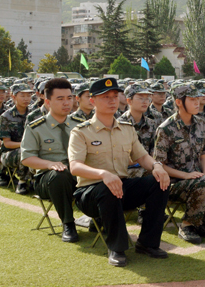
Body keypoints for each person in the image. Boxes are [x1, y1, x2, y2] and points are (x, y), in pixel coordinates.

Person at [69, 77, 171, 267]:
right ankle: (117, 247)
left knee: (159, 182)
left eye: (115, 96)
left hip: (121, 188)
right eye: (105, 97)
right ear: (92, 101)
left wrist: (157, 166)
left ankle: (147, 243)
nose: (111, 101)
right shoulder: (81, 131)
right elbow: (75, 166)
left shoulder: (126, 129)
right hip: (90, 193)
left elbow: (142, 157)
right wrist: (103, 174)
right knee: (108, 187)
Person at [153, 83, 205, 244]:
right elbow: (159, 164)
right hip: (173, 183)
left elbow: (204, 154)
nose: (197, 103)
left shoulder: (201, 124)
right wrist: (186, 175)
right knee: (203, 182)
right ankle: (187, 226)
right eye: (192, 100)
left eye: (197, 99)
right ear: (179, 102)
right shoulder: (166, 128)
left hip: (197, 178)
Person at [21, 78, 80, 242]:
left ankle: (100, 220)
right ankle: (68, 223)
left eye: (69, 98)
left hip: (78, 175)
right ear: (47, 102)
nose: (66, 103)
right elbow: (26, 158)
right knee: (59, 174)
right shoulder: (36, 127)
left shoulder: (81, 125)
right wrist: (50, 164)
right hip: (48, 180)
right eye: (60, 99)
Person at [1, 83, 35, 194]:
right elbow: (7, 143)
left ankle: (37, 181)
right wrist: (24, 144)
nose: (26, 99)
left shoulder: (34, 114)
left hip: (31, 149)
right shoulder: (6, 116)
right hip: (10, 153)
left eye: (28, 95)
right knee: (24, 151)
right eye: (22, 95)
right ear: (13, 97)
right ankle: (22, 182)